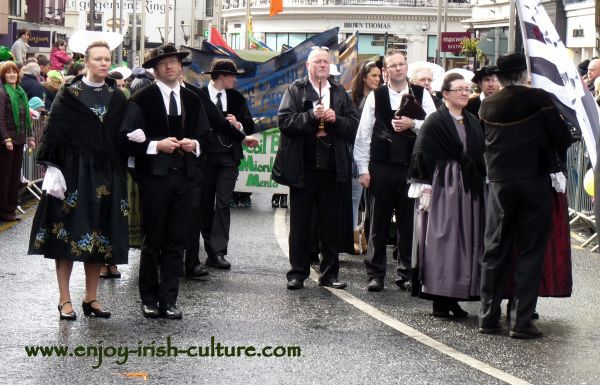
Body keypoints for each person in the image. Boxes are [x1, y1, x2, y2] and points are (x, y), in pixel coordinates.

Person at [28, 41, 129, 320]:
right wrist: (52, 167)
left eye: (107, 59)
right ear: (87, 62)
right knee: (67, 234)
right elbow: (53, 132)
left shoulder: (117, 95)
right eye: (98, 59)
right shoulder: (69, 92)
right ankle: (64, 300)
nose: (104, 64)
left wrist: (133, 141)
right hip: (72, 172)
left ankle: (91, 299)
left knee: (99, 235)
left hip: (106, 173)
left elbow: (123, 132)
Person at [478, 52, 572, 339]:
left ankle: (488, 317)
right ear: (523, 74)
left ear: (500, 77)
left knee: (495, 248)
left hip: (499, 182)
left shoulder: (488, 104)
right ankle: (521, 320)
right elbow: (562, 137)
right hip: (533, 180)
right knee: (530, 250)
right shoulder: (539, 99)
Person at [118, 44, 211, 319]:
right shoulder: (142, 99)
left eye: (174, 62)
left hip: (186, 177)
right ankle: (149, 298)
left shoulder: (193, 98)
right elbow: (125, 138)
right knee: (153, 239)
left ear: (181, 66)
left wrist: (193, 143)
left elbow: (205, 137)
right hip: (155, 178)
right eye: (163, 63)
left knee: (176, 240)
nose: (170, 67)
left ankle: (169, 300)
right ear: (155, 69)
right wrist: (156, 145)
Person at [272, 47, 359, 290]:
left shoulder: (340, 91)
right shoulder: (296, 89)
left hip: (333, 168)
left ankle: (329, 273)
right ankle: (297, 273)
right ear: (308, 66)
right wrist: (311, 116)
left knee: (331, 224)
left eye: (326, 62)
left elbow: (353, 126)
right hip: (304, 167)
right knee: (300, 224)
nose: (322, 65)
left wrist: (335, 119)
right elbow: (284, 121)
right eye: (318, 62)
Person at [353, 50, 436, 292]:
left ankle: (407, 272)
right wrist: (362, 169)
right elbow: (363, 135)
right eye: (393, 65)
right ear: (386, 70)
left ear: (406, 66)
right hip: (380, 167)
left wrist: (414, 124)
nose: (398, 68)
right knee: (377, 223)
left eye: (402, 64)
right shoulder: (376, 97)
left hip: (410, 169)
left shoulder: (421, 94)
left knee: (409, 225)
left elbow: (433, 127)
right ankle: (376, 274)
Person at [408, 73, 486, 318]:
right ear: (446, 94)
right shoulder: (435, 122)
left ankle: (457, 294)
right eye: (459, 89)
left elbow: (479, 153)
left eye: (467, 89)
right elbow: (422, 154)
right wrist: (425, 188)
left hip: (469, 189)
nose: (464, 93)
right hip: (444, 188)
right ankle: (440, 298)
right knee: (444, 241)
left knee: (467, 242)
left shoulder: (473, 120)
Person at [181, 67, 259, 278]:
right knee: (204, 203)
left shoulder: (235, 97)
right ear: (219, 77)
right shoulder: (199, 94)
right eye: (231, 75)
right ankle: (206, 245)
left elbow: (249, 125)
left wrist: (239, 124)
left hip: (228, 156)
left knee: (223, 202)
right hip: (204, 156)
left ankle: (218, 251)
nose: (234, 79)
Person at [350, 60, 381, 254]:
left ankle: (365, 235)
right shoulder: (351, 99)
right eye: (373, 76)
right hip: (356, 154)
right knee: (355, 197)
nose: (378, 79)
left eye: (379, 76)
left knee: (373, 201)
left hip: (377, 156)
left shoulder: (382, 98)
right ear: (363, 77)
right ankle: (353, 235)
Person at [0, 61, 35, 222]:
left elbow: (25, 118)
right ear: (3, 75)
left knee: (14, 177)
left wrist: (30, 137)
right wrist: (6, 138)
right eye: (8, 72)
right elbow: (0, 119)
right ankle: (3, 210)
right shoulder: (2, 93)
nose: (12, 74)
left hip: (19, 140)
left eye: (14, 71)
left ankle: (10, 209)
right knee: (5, 178)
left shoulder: (20, 92)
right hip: (7, 142)